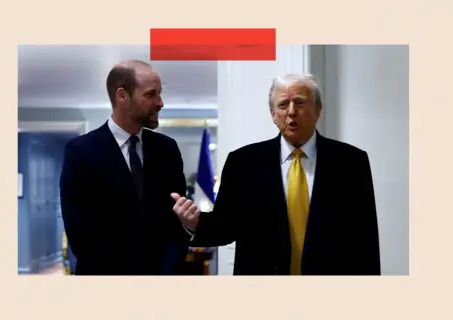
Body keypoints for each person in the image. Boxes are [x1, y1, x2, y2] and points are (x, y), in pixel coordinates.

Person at [171, 74, 381, 275]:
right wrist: (194, 224)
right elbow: (225, 227)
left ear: (317, 110)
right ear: (273, 115)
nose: (291, 112)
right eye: (282, 105)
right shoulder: (243, 162)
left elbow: (365, 239)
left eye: (300, 103)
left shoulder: (351, 161)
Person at [60, 60, 190, 275]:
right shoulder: (80, 152)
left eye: (160, 93)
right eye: (151, 94)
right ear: (122, 95)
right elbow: (80, 233)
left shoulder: (167, 149)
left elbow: (176, 223)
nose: (160, 103)